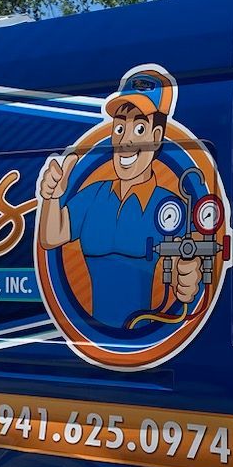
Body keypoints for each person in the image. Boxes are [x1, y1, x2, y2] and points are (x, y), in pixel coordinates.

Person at [38, 68, 204, 330]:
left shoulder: (170, 206)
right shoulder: (94, 195)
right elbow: (51, 237)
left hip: (146, 334)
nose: (126, 140)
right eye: (119, 127)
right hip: (94, 333)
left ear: (157, 136)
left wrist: (189, 277)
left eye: (139, 128)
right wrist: (51, 197)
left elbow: (190, 257)